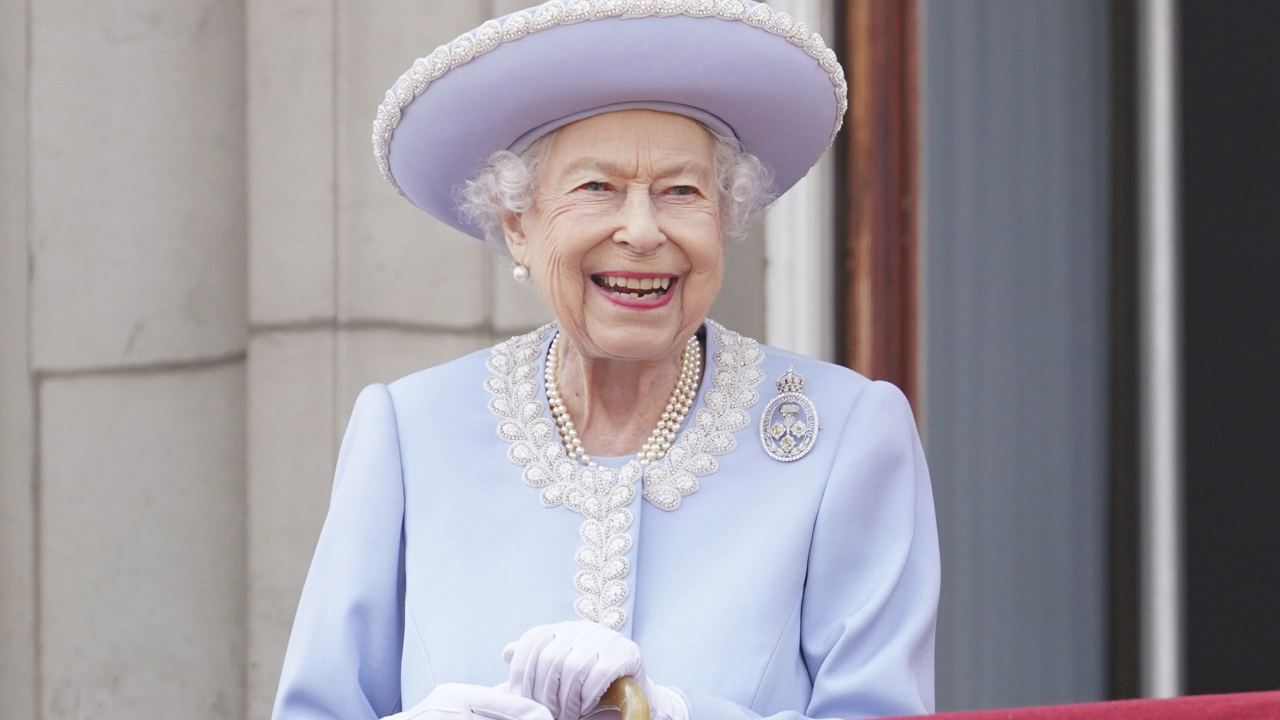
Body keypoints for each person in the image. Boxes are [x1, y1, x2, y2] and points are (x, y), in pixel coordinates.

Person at [273, 3, 939, 720]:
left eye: (681, 192)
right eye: (598, 188)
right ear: (518, 225)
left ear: (726, 217)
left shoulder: (846, 435)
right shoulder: (408, 431)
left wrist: (678, 713)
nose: (644, 231)